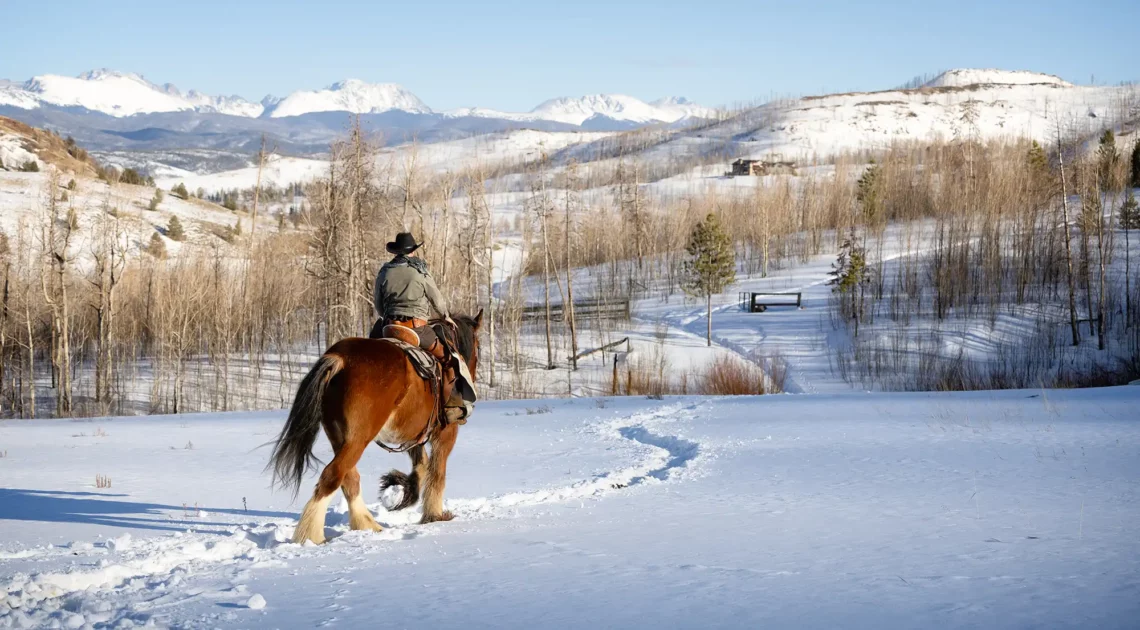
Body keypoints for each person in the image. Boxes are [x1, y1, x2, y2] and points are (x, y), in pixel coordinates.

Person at [372, 232, 470, 423]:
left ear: (396, 251)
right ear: (412, 251)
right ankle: (452, 406)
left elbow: (378, 303)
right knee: (448, 358)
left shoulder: (384, 271)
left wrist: (388, 317)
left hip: (389, 327)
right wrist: (445, 317)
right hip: (416, 329)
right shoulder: (419, 270)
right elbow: (436, 299)